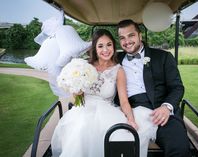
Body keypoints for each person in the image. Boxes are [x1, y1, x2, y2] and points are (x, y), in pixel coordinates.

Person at [51, 29, 157, 157]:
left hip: (106, 112)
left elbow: (124, 101)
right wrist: (77, 92)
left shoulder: (118, 70)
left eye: (109, 45)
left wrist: (131, 120)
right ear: (95, 48)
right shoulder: (83, 66)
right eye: (100, 46)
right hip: (82, 111)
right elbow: (75, 101)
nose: (105, 50)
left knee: (118, 135)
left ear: (113, 46)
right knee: (82, 128)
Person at [116, 19, 191, 157]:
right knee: (119, 148)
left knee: (179, 148)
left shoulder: (163, 57)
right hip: (131, 113)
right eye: (122, 38)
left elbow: (177, 87)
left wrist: (166, 107)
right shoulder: (115, 60)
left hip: (161, 112)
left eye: (131, 35)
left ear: (140, 36)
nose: (127, 41)